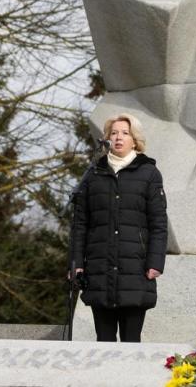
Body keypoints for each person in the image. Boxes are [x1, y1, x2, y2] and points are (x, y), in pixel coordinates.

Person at [70, 112, 168, 342]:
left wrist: (155, 263)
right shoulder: (93, 175)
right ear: (106, 139)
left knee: (131, 342)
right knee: (103, 341)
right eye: (113, 133)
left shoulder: (149, 174)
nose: (118, 137)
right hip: (99, 270)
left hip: (135, 270)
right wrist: (75, 264)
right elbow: (80, 224)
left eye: (125, 133)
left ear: (135, 139)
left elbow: (158, 223)